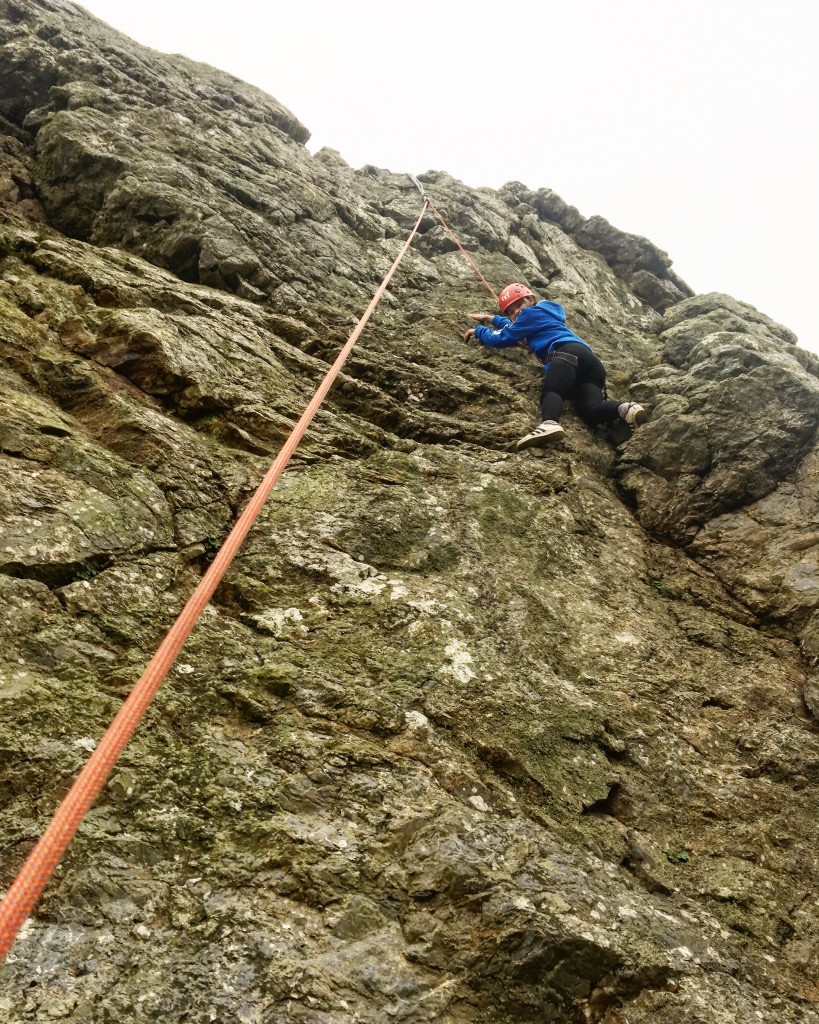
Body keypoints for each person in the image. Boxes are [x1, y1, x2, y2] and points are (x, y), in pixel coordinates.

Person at [463, 282, 647, 449]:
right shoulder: (543, 314)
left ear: (531, 299)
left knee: (553, 390)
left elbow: (504, 337)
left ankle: (549, 423)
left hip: (565, 353)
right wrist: (492, 318)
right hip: (590, 362)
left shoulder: (527, 316)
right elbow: (516, 327)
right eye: (510, 311)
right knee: (591, 409)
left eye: (519, 305)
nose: (517, 312)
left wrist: (479, 331)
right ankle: (627, 409)